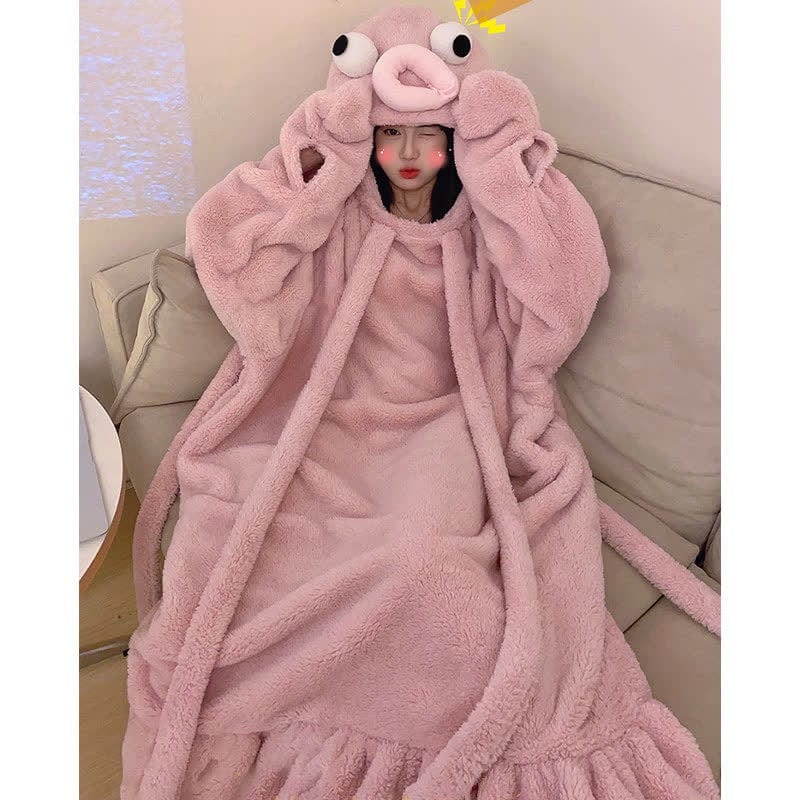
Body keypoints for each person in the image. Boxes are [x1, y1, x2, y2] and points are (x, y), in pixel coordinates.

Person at [300, 123, 461, 223]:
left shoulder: (470, 223)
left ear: (449, 141)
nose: (408, 153)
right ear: (373, 141)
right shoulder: (342, 218)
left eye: (426, 133)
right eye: (392, 132)